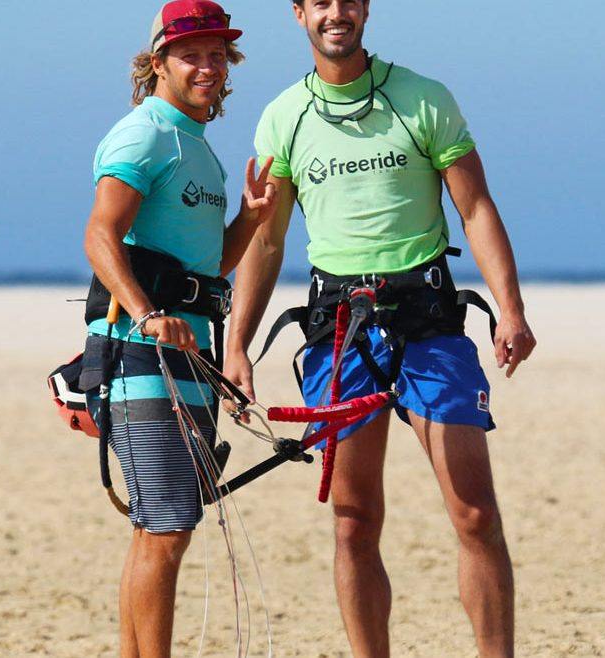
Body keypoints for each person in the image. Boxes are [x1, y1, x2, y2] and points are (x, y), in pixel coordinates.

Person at [223, 1, 536, 656]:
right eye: (320, 2)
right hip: (338, 331)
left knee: (475, 514)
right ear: (299, 14)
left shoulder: (423, 99)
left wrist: (511, 308)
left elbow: (475, 207)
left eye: (347, 0)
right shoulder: (285, 117)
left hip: (427, 322)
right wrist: (237, 345)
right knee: (352, 523)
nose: (335, 13)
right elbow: (268, 244)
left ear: (364, 9)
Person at [81, 2, 276, 656]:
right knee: (165, 526)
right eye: (192, 54)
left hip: (190, 357)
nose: (207, 66)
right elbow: (100, 235)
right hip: (141, 355)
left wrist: (249, 218)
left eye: (218, 54)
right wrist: (146, 314)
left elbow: (207, 267)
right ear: (158, 62)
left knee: (164, 529)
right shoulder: (146, 135)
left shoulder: (197, 149)